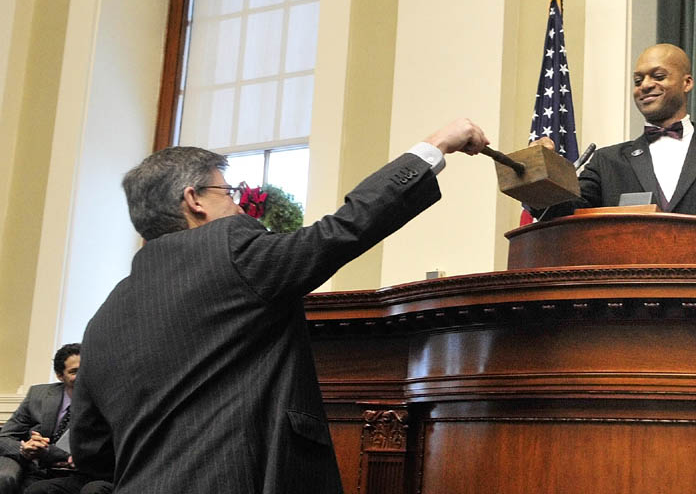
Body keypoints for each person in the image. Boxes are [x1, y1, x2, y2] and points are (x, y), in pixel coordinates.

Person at [69, 118, 489, 493]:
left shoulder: (101, 320)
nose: (237, 204)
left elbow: (92, 453)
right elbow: (344, 228)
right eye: (226, 192)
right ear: (194, 199)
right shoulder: (230, 252)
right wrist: (437, 144)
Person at [534, 43, 696, 264]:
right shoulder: (607, 162)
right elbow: (563, 214)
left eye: (658, 76)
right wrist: (540, 170)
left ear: (687, 83)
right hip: (629, 305)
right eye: (638, 80)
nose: (646, 85)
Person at [0, 345, 80, 493]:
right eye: (74, 371)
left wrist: (50, 452)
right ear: (60, 375)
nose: (82, 376)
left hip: (73, 473)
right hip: (34, 467)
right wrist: (24, 449)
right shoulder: (38, 395)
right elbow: (4, 437)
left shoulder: (101, 400)